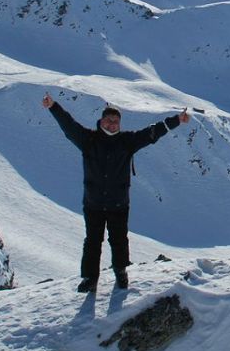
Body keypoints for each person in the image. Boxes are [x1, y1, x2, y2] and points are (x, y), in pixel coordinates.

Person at [43, 92, 190, 292]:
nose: (112, 124)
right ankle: (90, 279)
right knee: (92, 241)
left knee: (119, 240)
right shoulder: (88, 139)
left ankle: (121, 272)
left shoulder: (126, 141)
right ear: (101, 120)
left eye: (116, 121)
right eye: (109, 120)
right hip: (93, 203)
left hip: (118, 203)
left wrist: (176, 120)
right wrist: (53, 107)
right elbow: (69, 126)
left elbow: (151, 133)